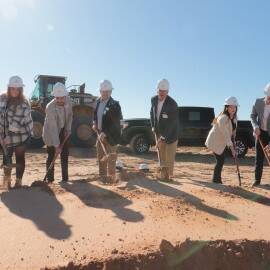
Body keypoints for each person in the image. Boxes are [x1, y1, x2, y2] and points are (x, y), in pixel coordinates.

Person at [0, 76, 33, 189]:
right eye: (12, 88)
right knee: (6, 156)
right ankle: (7, 182)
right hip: (6, 133)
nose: (15, 91)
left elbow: (16, 122)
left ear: (21, 89)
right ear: (9, 88)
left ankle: (18, 182)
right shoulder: (2, 98)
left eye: (17, 88)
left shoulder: (24, 103)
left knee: (19, 156)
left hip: (21, 134)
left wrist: (8, 136)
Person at [93, 80, 122, 184]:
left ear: (111, 91)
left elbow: (116, 123)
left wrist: (105, 132)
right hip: (100, 134)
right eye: (103, 91)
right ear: (100, 91)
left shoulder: (115, 105)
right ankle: (102, 178)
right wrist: (94, 123)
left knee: (111, 159)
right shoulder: (97, 102)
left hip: (111, 137)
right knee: (101, 158)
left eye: (107, 91)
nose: (105, 93)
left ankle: (111, 179)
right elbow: (95, 116)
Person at [42, 82, 73, 183]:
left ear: (66, 95)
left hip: (63, 130)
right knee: (51, 155)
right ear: (54, 96)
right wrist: (56, 145)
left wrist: (68, 129)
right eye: (57, 98)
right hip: (50, 132)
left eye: (62, 98)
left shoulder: (69, 101)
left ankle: (65, 179)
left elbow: (70, 116)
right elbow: (53, 127)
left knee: (65, 154)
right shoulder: (50, 107)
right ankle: (50, 180)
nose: (60, 100)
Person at [150, 79, 179, 181]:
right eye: (160, 91)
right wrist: (153, 125)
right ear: (157, 90)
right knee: (161, 155)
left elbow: (172, 124)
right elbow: (152, 114)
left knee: (169, 157)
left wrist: (162, 137)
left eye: (164, 91)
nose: (161, 93)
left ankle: (168, 176)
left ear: (167, 92)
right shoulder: (153, 100)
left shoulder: (172, 104)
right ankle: (162, 174)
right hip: (159, 131)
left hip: (171, 134)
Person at [205, 96, 238, 184]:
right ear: (226, 107)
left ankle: (217, 180)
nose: (233, 109)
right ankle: (216, 181)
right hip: (215, 141)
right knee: (220, 160)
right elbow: (226, 135)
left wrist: (234, 133)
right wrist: (232, 149)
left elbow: (232, 129)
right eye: (231, 107)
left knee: (221, 160)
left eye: (234, 107)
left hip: (221, 141)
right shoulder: (223, 118)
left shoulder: (234, 117)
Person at [250, 83, 270, 186]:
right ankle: (257, 180)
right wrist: (256, 127)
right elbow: (252, 116)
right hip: (260, 132)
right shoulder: (258, 102)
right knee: (259, 157)